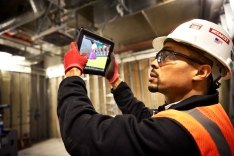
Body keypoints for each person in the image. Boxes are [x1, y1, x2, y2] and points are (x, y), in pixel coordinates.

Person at [57, 19, 234, 156]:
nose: (153, 63)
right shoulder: (207, 114)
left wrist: (73, 72)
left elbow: (82, 134)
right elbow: (144, 116)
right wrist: (115, 79)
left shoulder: (176, 134)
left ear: (201, 72)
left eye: (167, 55)